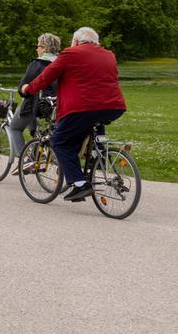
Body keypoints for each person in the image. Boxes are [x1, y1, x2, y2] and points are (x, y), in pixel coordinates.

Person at [21, 26, 126, 202]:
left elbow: (47, 76)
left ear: (76, 41)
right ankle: (95, 160)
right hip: (113, 107)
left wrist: (28, 89)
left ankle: (79, 184)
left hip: (83, 108)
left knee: (60, 142)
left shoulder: (71, 53)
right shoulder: (109, 55)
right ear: (96, 41)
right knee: (92, 130)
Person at [8, 33, 61, 173]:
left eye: (38, 46)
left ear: (44, 48)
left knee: (14, 127)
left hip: (37, 104)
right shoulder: (61, 62)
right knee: (38, 130)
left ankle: (26, 161)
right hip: (56, 104)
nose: (36, 49)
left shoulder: (38, 63)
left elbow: (25, 86)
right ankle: (38, 152)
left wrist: (22, 90)